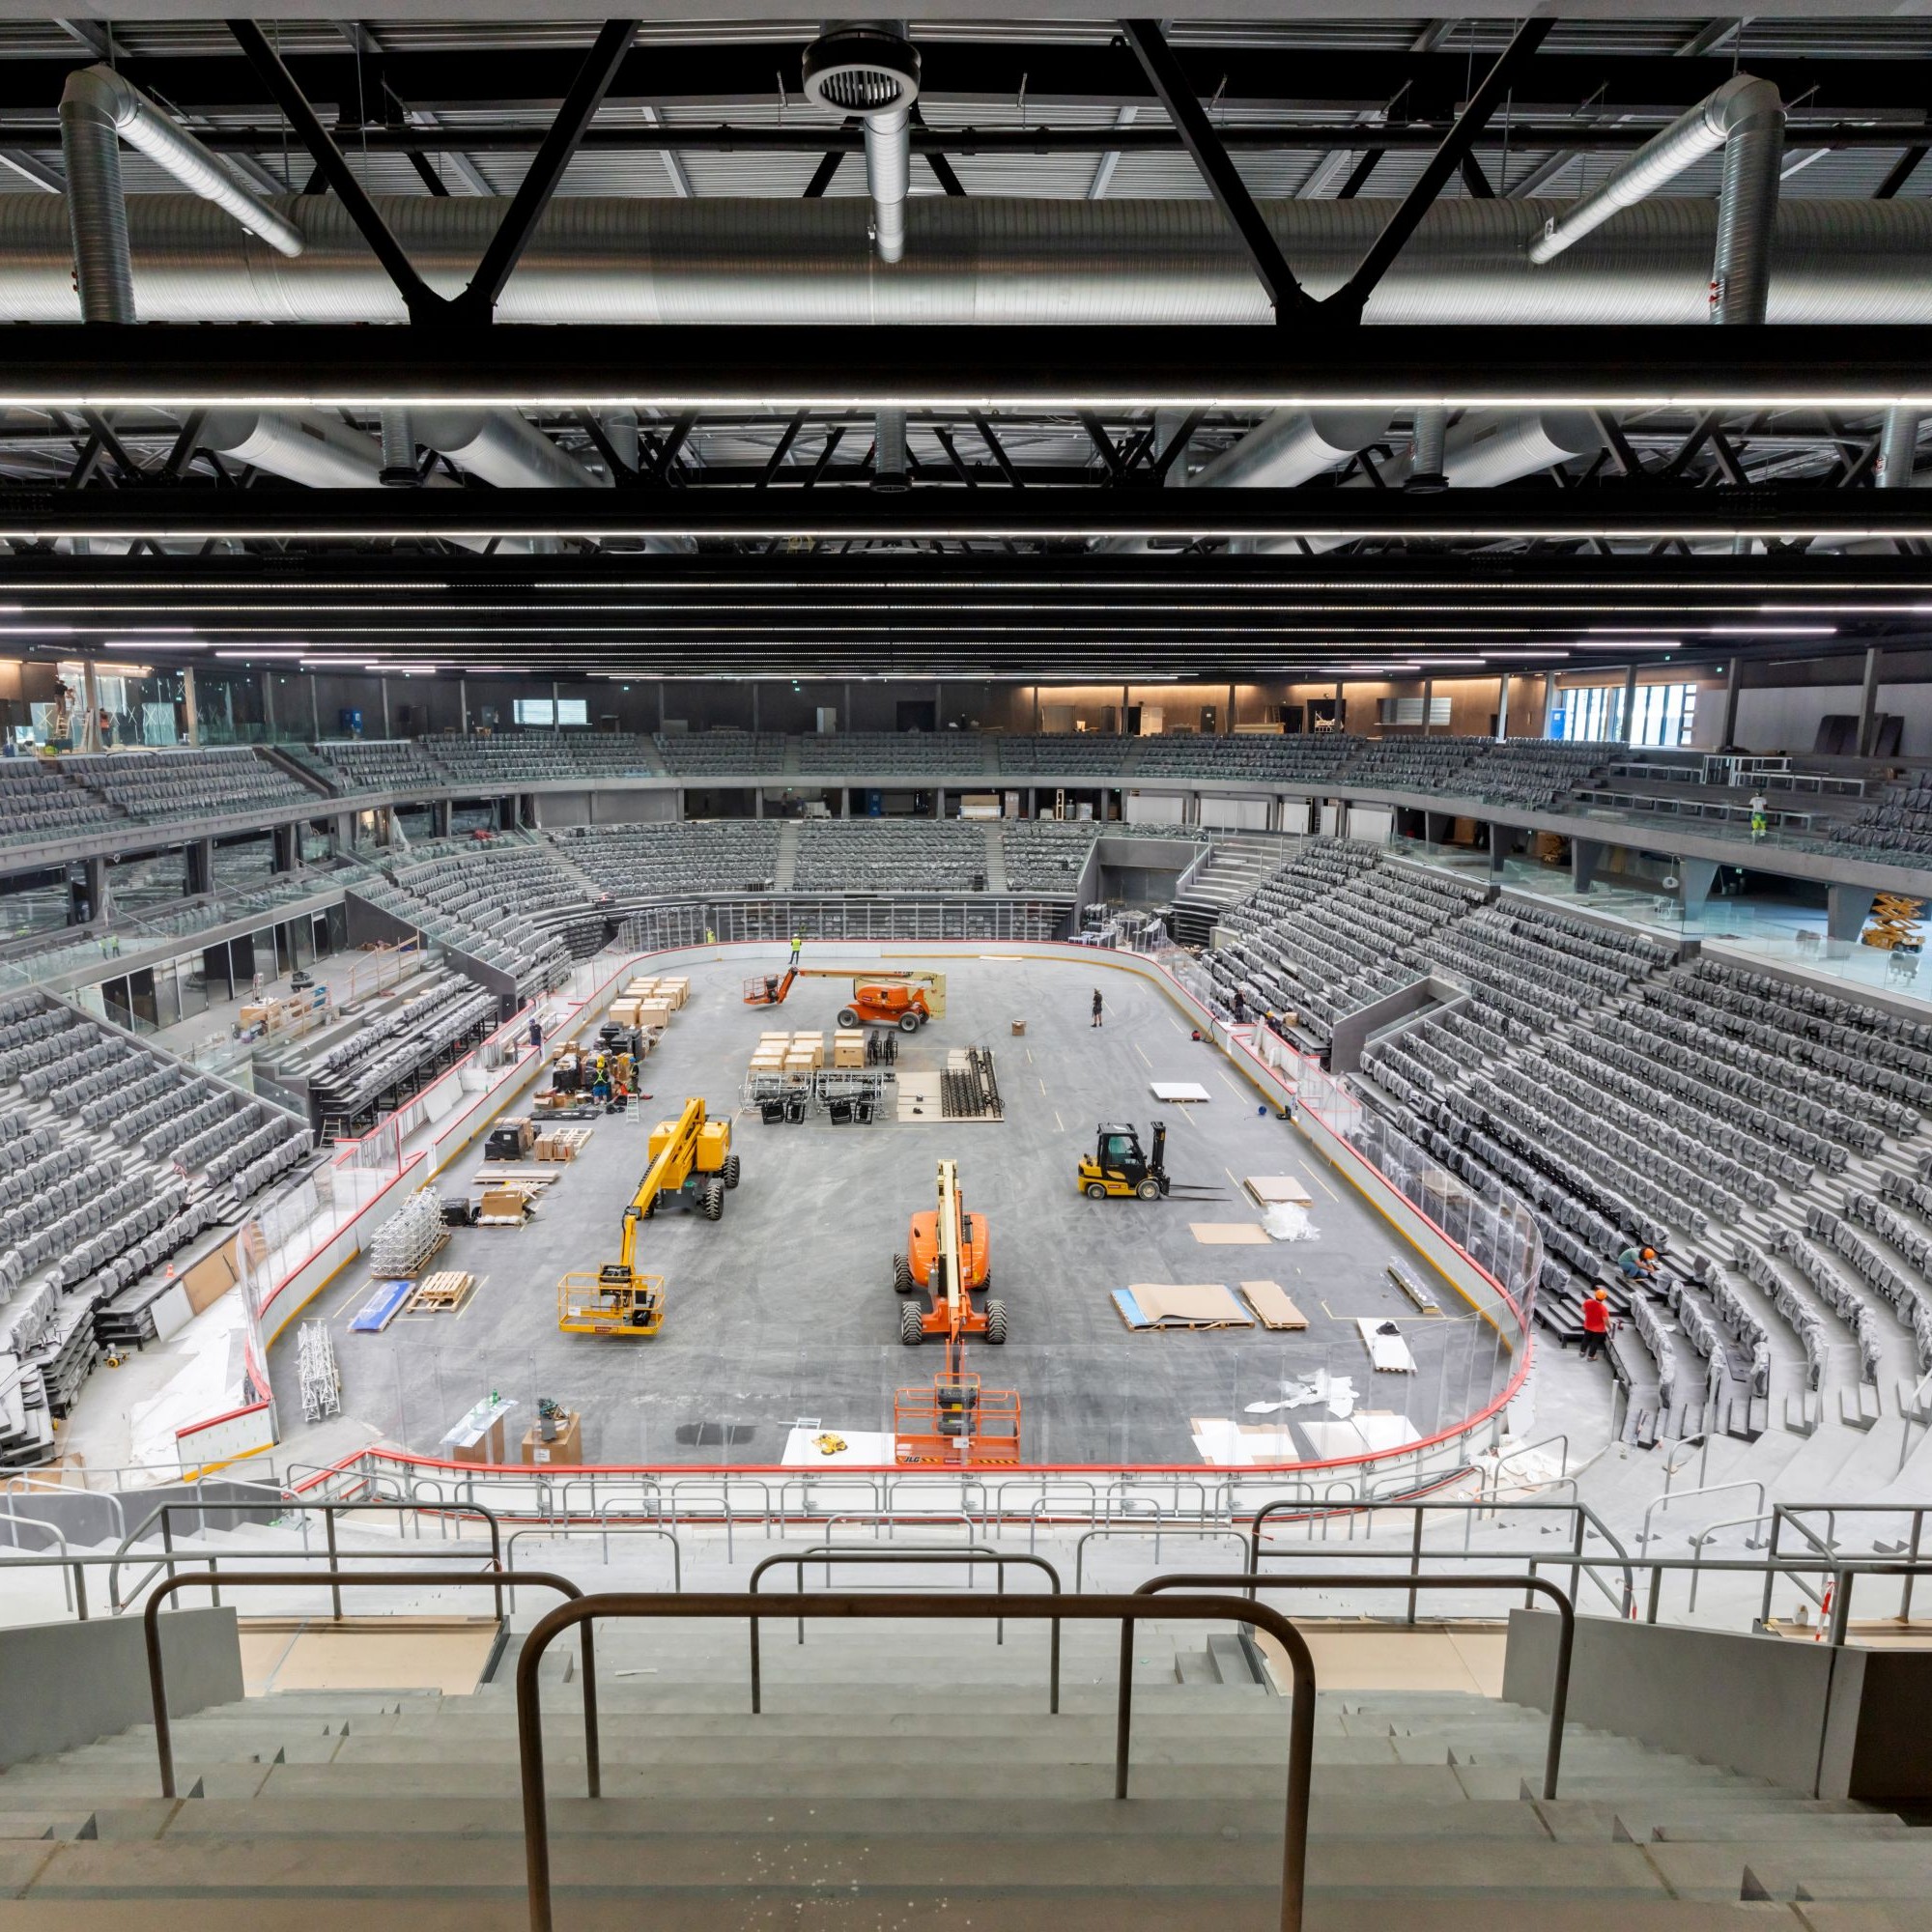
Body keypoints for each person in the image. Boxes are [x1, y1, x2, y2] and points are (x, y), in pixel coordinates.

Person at [1580, 1287, 1611, 1362]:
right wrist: (1610, 1327)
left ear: (1595, 1295)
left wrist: (1589, 1314)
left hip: (1588, 1325)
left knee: (1586, 1338)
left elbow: (1582, 1309)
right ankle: (1591, 1357)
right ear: (1604, 1298)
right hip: (1598, 1329)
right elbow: (1605, 1321)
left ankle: (1582, 1352)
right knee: (1595, 1342)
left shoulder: (1588, 1301)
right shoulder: (1603, 1308)